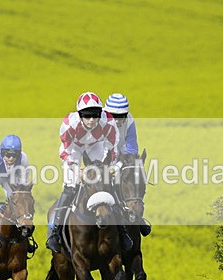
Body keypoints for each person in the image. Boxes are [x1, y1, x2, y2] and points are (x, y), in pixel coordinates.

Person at [46, 91, 133, 253]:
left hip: (96, 146)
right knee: (70, 187)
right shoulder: (68, 124)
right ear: (79, 115)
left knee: (106, 184)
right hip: (74, 150)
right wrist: (76, 169)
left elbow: (111, 148)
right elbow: (66, 151)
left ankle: (122, 231)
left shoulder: (108, 121)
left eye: (95, 115)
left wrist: (107, 167)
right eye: (87, 116)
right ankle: (54, 232)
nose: (92, 120)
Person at [104, 93, 151, 236]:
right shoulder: (100, 121)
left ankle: (136, 215)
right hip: (101, 158)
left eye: (122, 116)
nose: (118, 120)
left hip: (122, 159)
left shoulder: (129, 120)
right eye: (114, 116)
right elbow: (99, 147)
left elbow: (131, 147)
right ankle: (57, 226)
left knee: (132, 179)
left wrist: (120, 164)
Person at [0, 134, 37, 254]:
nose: (10, 158)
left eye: (14, 155)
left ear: (19, 154)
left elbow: (22, 184)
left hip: (12, 179)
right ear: (2, 152)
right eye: (7, 154)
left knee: (18, 206)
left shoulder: (24, 159)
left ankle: (24, 238)